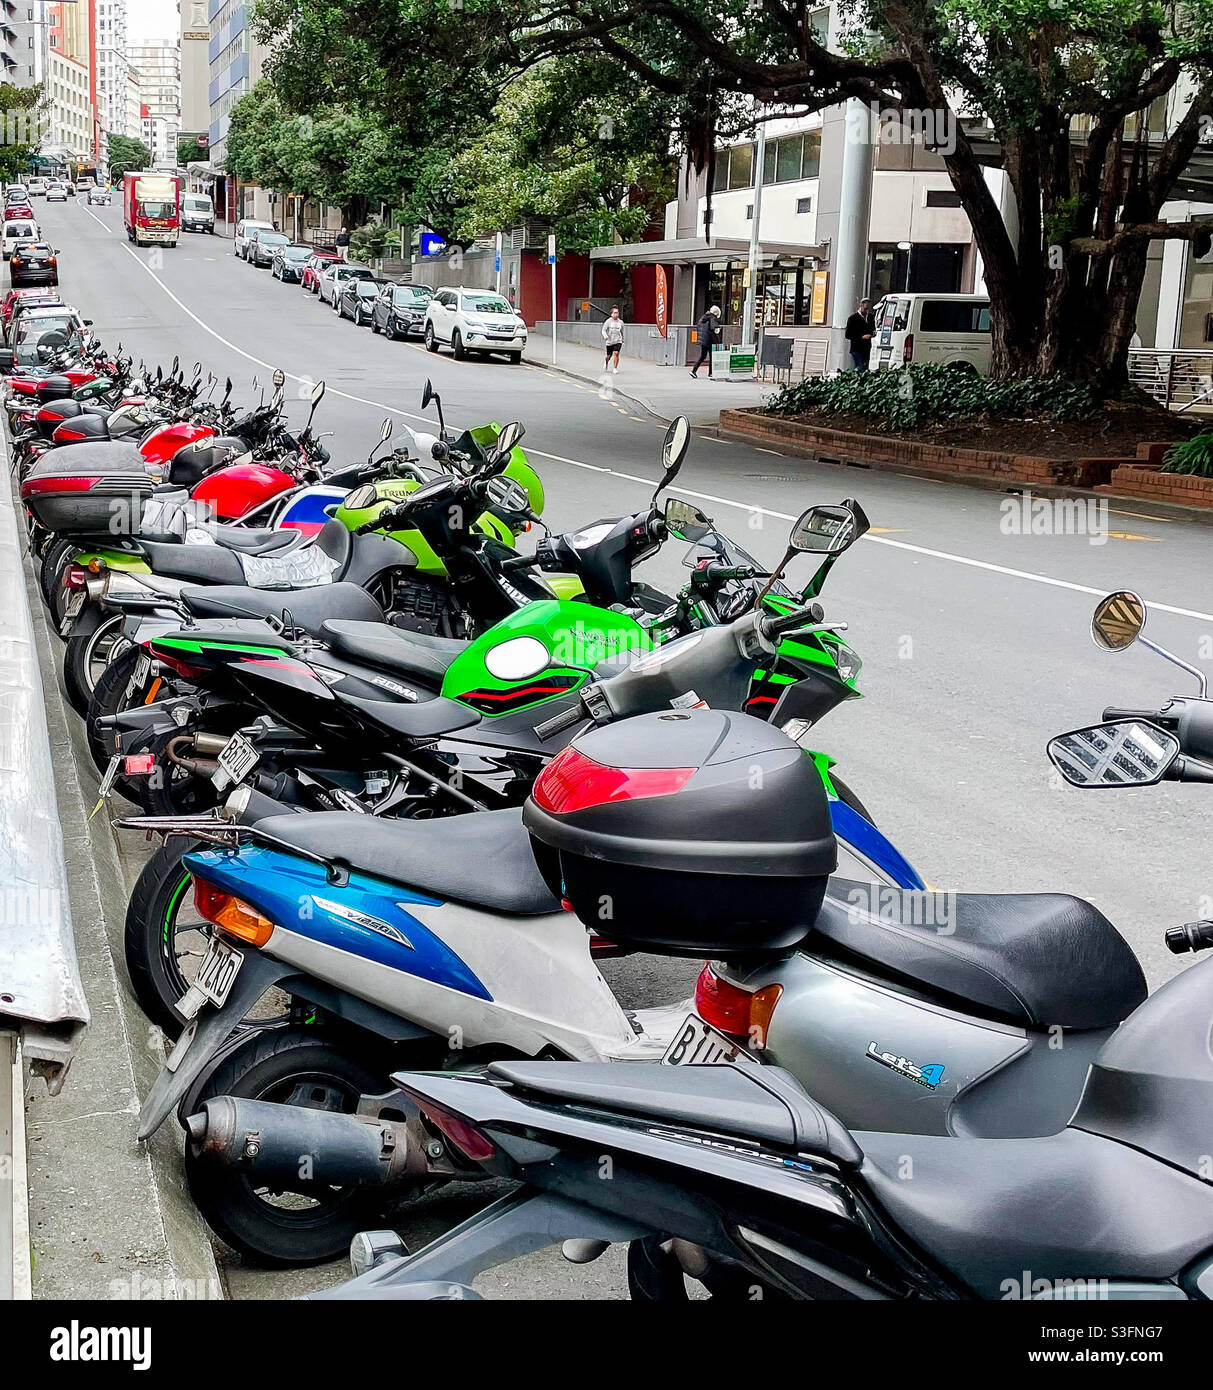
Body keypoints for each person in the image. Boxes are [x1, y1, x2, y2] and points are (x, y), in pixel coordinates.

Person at [690, 304, 722, 378]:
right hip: (710, 340)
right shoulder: (712, 318)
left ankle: (693, 371)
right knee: (712, 357)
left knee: (702, 356)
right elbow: (714, 328)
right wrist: (717, 330)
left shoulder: (703, 317)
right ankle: (710, 374)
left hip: (703, 341)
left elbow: (699, 327)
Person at [845, 297, 876, 371]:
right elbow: (848, 334)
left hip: (867, 348)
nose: (867, 311)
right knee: (860, 366)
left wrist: (873, 334)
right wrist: (861, 337)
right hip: (857, 349)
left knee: (865, 367)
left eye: (868, 309)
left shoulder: (871, 318)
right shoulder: (853, 318)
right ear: (861, 306)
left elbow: (873, 329)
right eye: (865, 309)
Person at [601, 306, 625, 373]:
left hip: (618, 340)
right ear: (611, 314)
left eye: (617, 313)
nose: (616, 314)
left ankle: (615, 368)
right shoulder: (608, 321)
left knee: (616, 353)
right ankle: (606, 362)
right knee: (609, 356)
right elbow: (603, 330)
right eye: (614, 313)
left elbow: (622, 332)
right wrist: (605, 336)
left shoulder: (621, 322)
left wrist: (622, 339)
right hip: (610, 341)